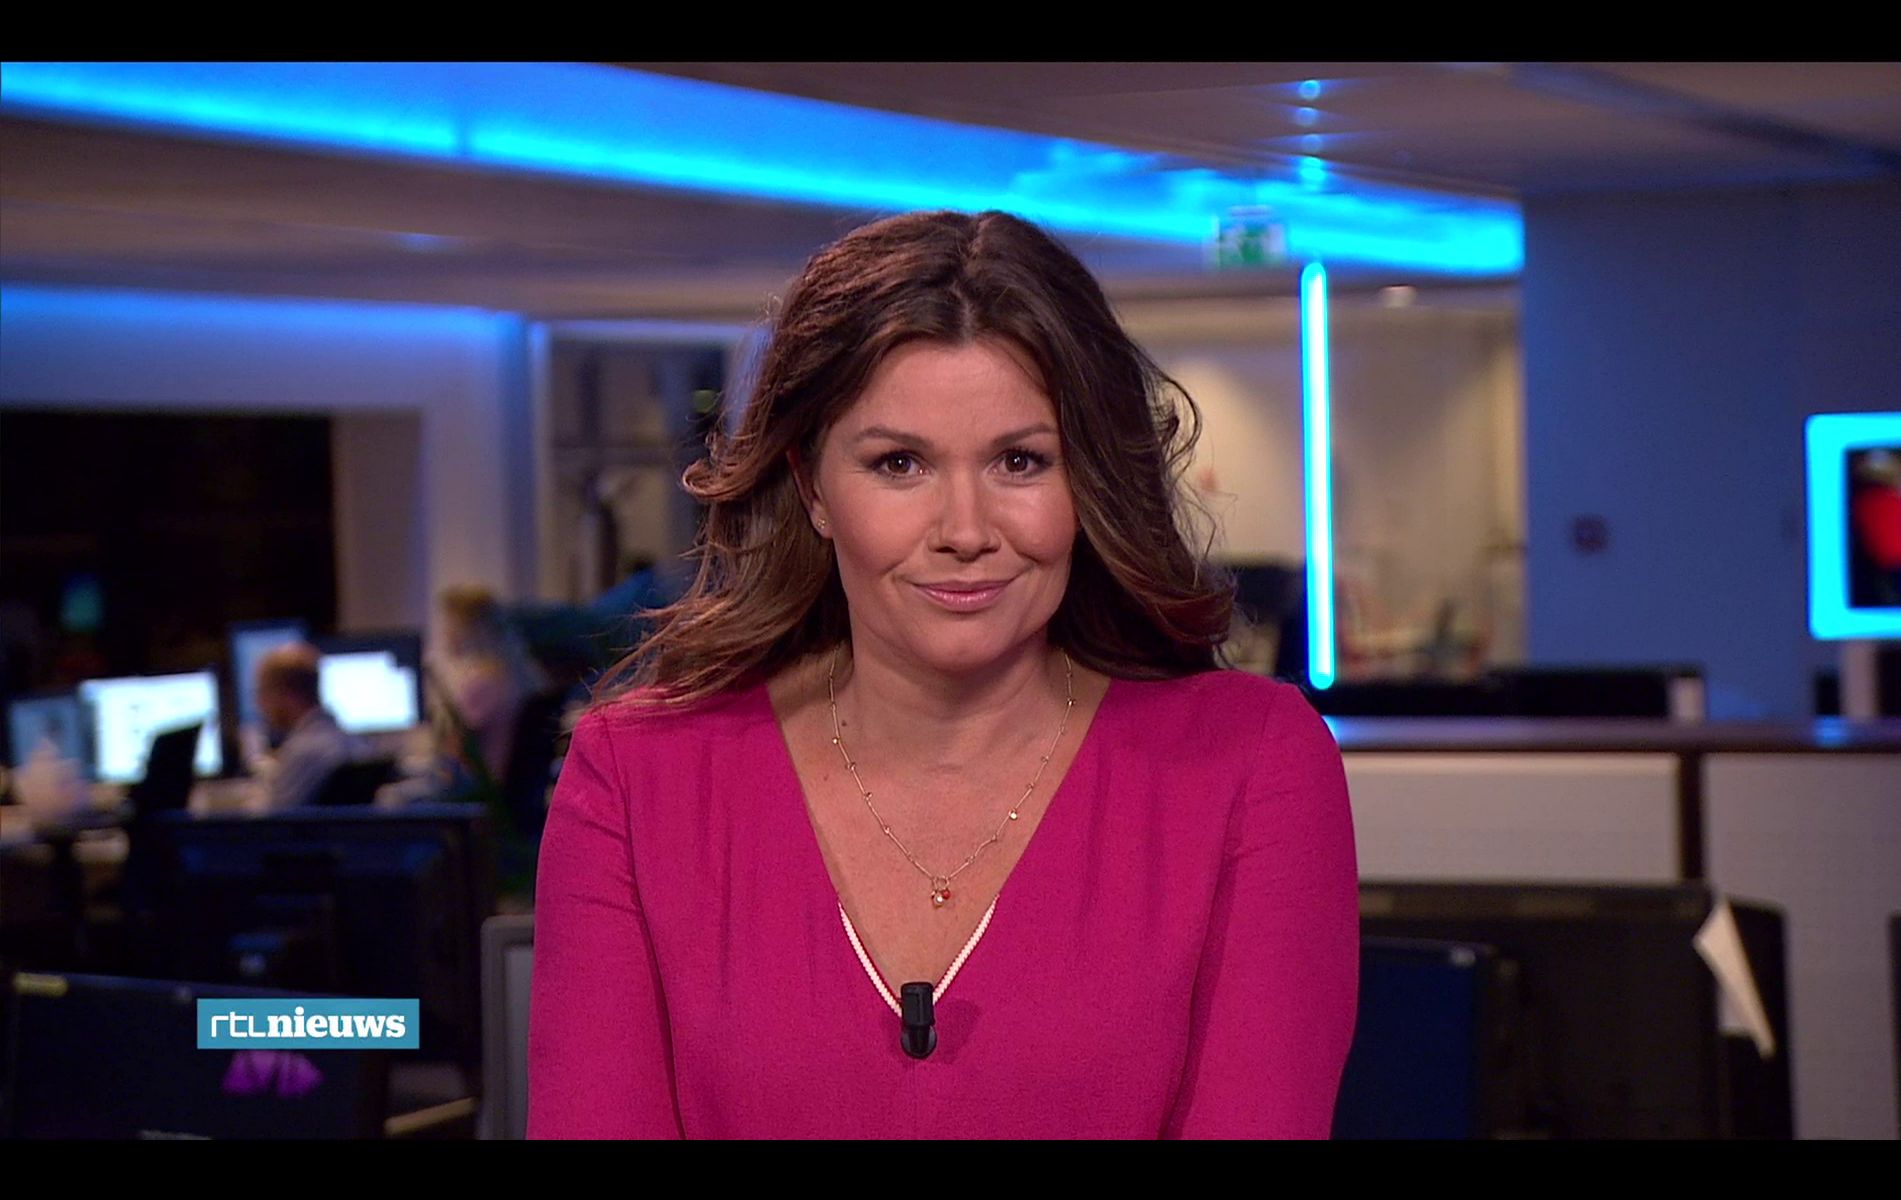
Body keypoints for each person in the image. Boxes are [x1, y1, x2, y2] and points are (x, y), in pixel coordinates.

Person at [528, 210, 1358, 1140]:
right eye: (900, 463)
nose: (965, 530)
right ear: (812, 486)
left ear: (1088, 481)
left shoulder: (1252, 764)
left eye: (1020, 461)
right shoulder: (637, 778)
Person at [431, 584, 546, 791]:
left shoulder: (482, 684)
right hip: (513, 791)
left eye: (450, 625)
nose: (445, 634)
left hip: (484, 792)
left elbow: (454, 753)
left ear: (469, 629)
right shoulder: (520, 673)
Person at [254, 642, 362, 811]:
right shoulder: (354, 742)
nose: (259, 703)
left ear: (286, 694)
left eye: (263, 692)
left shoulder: (302, 753)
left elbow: (271, 820)